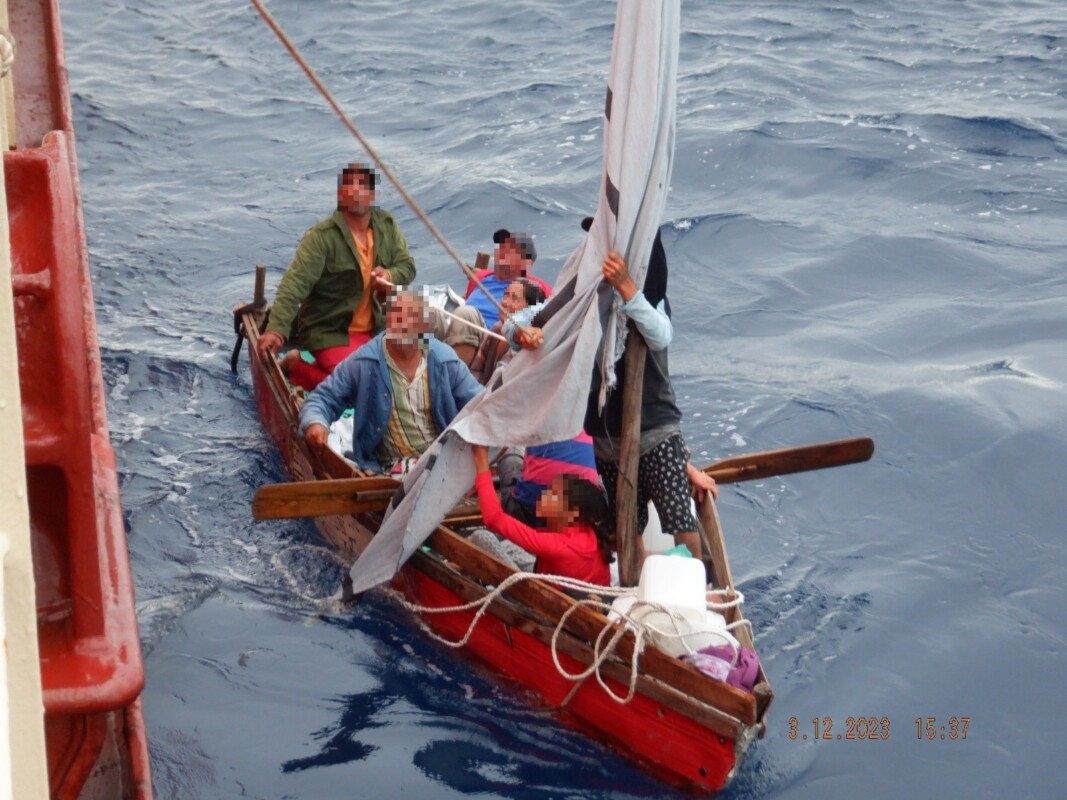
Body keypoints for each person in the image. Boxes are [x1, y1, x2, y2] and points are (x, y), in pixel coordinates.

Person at [513, 222, 717, 561]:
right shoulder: (586, 302)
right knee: (627, 525)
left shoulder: (651, 302)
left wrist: (627, 290)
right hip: (607, 439)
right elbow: (527, 318)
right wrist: (518, 333)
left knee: (680, 520)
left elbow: (660, 334)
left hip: (655, 430)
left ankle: (696, 585)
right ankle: (633, 587)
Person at [257, 163, 416, 391]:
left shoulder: (387, 226)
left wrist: (390, 274)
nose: (355, 191)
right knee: (359, 386)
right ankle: (295, 365)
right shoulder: (321, 237)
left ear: (372, 194)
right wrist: (276, 330)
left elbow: (407, 266)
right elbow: (294, 285)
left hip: (376, 329)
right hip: (331, 332)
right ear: (340, 194)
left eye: (362, 186)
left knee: (411, 373)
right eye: (348, 185)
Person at [299, 290, 482, 474]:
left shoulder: (444, 360)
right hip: (393, 466)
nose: (402, 325)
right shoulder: (364, 362)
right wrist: (316, 422)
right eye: (397, 318)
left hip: (444, 459)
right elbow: (322, 398)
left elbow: (480, 402)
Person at [471, 444, 612, 587]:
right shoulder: (589, 533)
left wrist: (481, 460)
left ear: (570, 513)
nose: (544, 497)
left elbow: (493, 518)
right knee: (508, 546)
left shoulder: (559, 546)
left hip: (538, 601)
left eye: (552, 496)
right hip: (560, 586)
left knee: (482, 537)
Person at [434, 228, 551, 365]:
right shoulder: (480, 278)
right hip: (457, 331)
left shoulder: (536, 288)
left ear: (526, 262)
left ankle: (453, 380)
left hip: (489, 342)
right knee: (423, 311)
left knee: (466, 313)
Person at [469, 278, 545, 384]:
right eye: (505, 295)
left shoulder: (524, 344)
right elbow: (476, 369)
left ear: (529, 309)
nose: (504, 302)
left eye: (514, 298)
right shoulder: (497, 328)